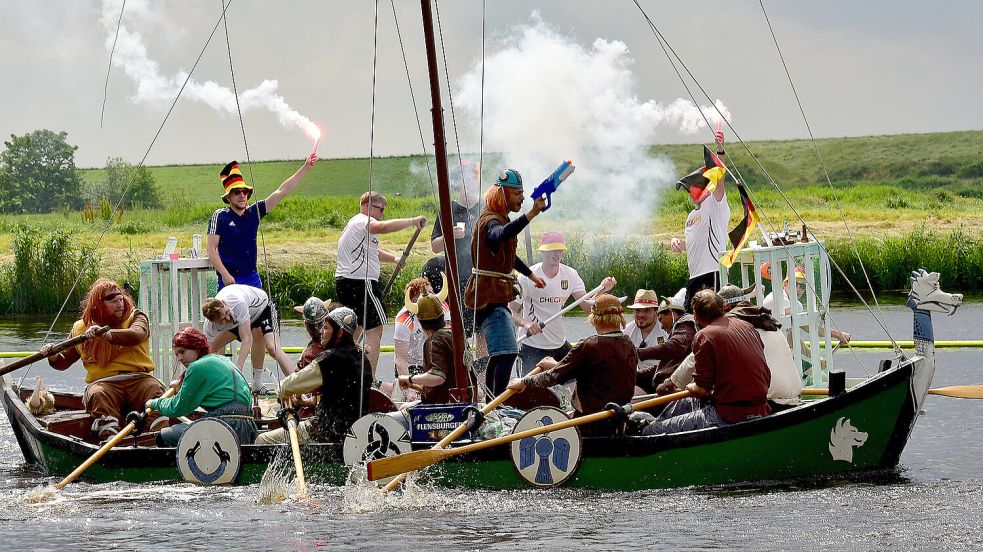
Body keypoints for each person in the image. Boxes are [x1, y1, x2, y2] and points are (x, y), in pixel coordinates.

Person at [41, 279, 165, 441]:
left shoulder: (136, 316)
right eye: (113, 301)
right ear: (98, 305)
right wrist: (53, 355)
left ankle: (158, 439)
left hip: (139, 379)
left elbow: (137, 334)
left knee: (155, 391)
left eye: (121, 299)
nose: (120, 304)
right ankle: (111, 442)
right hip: (105, 384)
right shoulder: (80, 328)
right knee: (97, 394)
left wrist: (107, 334)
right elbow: (64, 362)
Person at [463, 168, 548, 397]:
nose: (522, 197)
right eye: (517, 193)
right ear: (504, 195)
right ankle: (495, 405)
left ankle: (491, 402)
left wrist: (530, 275)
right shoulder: (491, 220)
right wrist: (532, 213)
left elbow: (508, 253)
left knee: (501, 354)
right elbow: (500, 235)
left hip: (492, 296)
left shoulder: (497, 217)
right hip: (489, 297)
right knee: (508, 353)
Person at [643, 289, 770, 435]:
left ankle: (651, 427)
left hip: (729, 415)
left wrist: (687, 388)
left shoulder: (704, 336)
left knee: (651, 431)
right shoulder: (746, 326)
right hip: (761, 408)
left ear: (696, 315)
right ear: (721, 308)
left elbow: (702, 389)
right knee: (684, 402)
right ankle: (656, 421)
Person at [507, 294, 637, 436]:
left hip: (590, 423)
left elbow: (553, 377)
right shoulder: (628, 344)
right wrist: (557, 365)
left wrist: (523, 382)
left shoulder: (588, 346)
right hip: (617, 420)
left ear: (594, 318)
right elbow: (590, 370)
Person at [335, 191, 426, 377]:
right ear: (367, 206)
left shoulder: (356, 226)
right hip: (361, 282)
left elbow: (373, 252)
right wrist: (412, 221)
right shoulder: (362, 221)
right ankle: (369, 380)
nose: (382, 214)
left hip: (348, 282)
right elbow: (383, 227)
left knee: (355, 329)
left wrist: (394, 258)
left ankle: (344, 373)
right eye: (380, 209)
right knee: (375, 329)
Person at [255, 307, 372, 444]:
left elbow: (287, 386)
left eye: (326, 328)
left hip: (325, 431)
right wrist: (304, 402)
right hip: (353, 433)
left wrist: (283, 390)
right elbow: (342, 397)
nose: (321, 331)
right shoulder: (362, 358)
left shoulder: (330, 358)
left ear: (339, 333)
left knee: (261, 440)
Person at [511, 232, 616, 375]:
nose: (556, 254)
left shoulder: (570, 274)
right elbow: (510, 311)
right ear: (543, 251)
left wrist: (603, 290)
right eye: (552, 250)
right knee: (530, 391)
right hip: (532, 346)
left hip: (559, 344)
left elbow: (588, 307)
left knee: (581, 381)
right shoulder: (527, 277)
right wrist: (526, 324)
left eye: (559, 250)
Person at [207, 154, 317, 290]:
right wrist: (224, 274)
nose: (242, 195)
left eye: (245, 192)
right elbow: (211, 249)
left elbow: (282, 191)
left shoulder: (255, 211)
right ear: (228, 197)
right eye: (236, 192)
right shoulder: (220, 216)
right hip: (230, 279)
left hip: (252, 278)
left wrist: (306, 167)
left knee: (261, 310)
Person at [149, 328, 258, 447]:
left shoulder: (196, 367)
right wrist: (181, 384)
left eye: (182, 351)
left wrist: (155, 403)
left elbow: (178, 408)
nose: (180, 358)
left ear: (196, 347)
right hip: (247, 427)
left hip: (224, 424)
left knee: (163, 436)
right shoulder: (220, 359)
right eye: (177, 354)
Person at [670, 130, 730, 312]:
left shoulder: (715, 204)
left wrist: (720, 151)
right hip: (694, 275)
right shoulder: (690, 217)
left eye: (693, 187)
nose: (691, 192)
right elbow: (695, 243)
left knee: (712, 318)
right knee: (690, 317)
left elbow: (719, 180)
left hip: (713, 272)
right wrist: (679, 242)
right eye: (689, 189)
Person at [718, 284, 802, 406]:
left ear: (726, 307)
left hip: (770, 399)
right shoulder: (766, 320)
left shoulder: (733, 327)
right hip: (796, 391)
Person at [201, 284, 295, 392]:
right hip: (243, 318)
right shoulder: (209, 326)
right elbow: (207, 354)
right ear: (214, 322)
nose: (228, 318)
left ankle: (298, 383)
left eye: (226, 313)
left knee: (272, 348)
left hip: (264, 307)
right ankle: (220, 386)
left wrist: (239, 367)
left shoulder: (237, 304)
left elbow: (246, 339)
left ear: (224, 303)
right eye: (223, 319)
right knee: (213, 349)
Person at [396, 286, 475, 404]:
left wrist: (409, 379)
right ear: (442, 315)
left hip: (445, 407)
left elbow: (438, 377)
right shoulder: (456, 334)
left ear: (420, 321)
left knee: (402, 411)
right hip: (464, 400)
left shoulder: (434, 341)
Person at [431, 159, 483, 337]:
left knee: (482, 330)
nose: (469, 181)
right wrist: (449, 236)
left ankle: (482, 366)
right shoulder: (448, 209)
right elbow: (434, 247)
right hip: (455, 279)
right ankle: (459, 365)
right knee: (456, 330)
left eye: (472, 176)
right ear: (457, 182)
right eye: (464, 177)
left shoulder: (485, 208)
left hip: (481, 278)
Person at [393, 277, 450, 399]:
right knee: (408, 398)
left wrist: (410, 380)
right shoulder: (404, 320)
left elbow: (448, 338)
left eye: (433, 293)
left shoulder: (442, 306)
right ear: (414, 300)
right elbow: (401, 360)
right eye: (428, 295)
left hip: (436, 365)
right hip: (413, 366)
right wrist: (409, 392)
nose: (432, 298)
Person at [637, 296, 696, 395]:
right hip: (664, 386)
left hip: (671, 390)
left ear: (670, 313)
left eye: (661, 319)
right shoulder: (680, 329)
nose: (661, 326)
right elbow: (662, 367)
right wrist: (635, 375)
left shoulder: (687, 324)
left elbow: (676, 347)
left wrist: (639, 353)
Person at [623, 289, 668, 391]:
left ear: (656, 312)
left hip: (662, 382)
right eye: (637, 310)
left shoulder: (666, 330)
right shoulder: (628, 330)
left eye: (647, 310)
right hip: (639, 379)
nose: (641, 315)